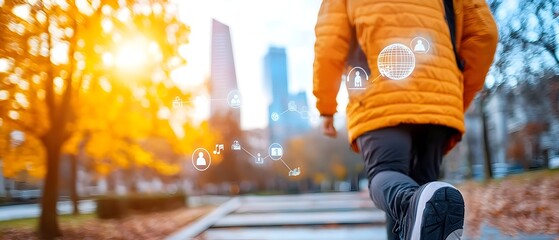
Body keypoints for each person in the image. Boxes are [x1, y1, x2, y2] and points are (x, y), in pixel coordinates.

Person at [313, 1, 498, 239]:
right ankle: (415, 203)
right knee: (424, 205)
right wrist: (455, 97)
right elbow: (484, 34)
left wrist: (326, 106)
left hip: (379, 99)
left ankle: (411, 201)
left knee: (388, 177)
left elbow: (329, 44)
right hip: (437, 99)